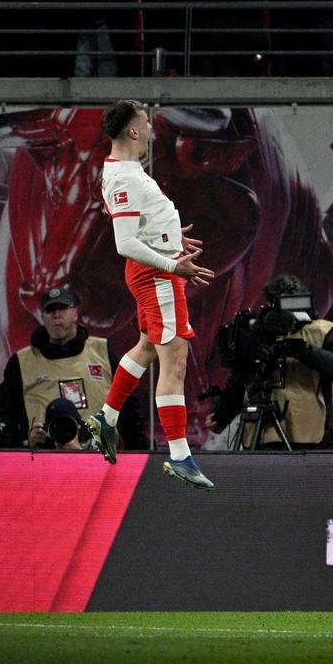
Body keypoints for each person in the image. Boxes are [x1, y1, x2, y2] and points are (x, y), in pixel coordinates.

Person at [87, 99, 217, 489]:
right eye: (146, 123)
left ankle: (107, 418)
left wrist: (171, 239)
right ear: (132, 130)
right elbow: (125, 242)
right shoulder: (125, 177)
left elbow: (139, 227)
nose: (150, 130)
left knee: (147, 345)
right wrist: (173, 264)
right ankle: (180, 456)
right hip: (157, 275)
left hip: (153, 269)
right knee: (174, 356)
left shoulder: (124, 171)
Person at [207, 274, 333, 450]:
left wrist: (302, 350)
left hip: (314, 439)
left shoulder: (322, 331)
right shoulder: (258, 335)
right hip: (265, 437)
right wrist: (223, 415)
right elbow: (243, 377)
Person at [0, 287, 148, 450]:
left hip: (100, 456)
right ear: (42, 316)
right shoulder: (21, 362)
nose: (56, 315)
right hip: (42, 459)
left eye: (63, 308)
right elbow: (5, 417)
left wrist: (139, 453)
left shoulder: (102, 352)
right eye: (50, 310)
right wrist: (20, 448)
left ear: (75, 313)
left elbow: (128, 408)